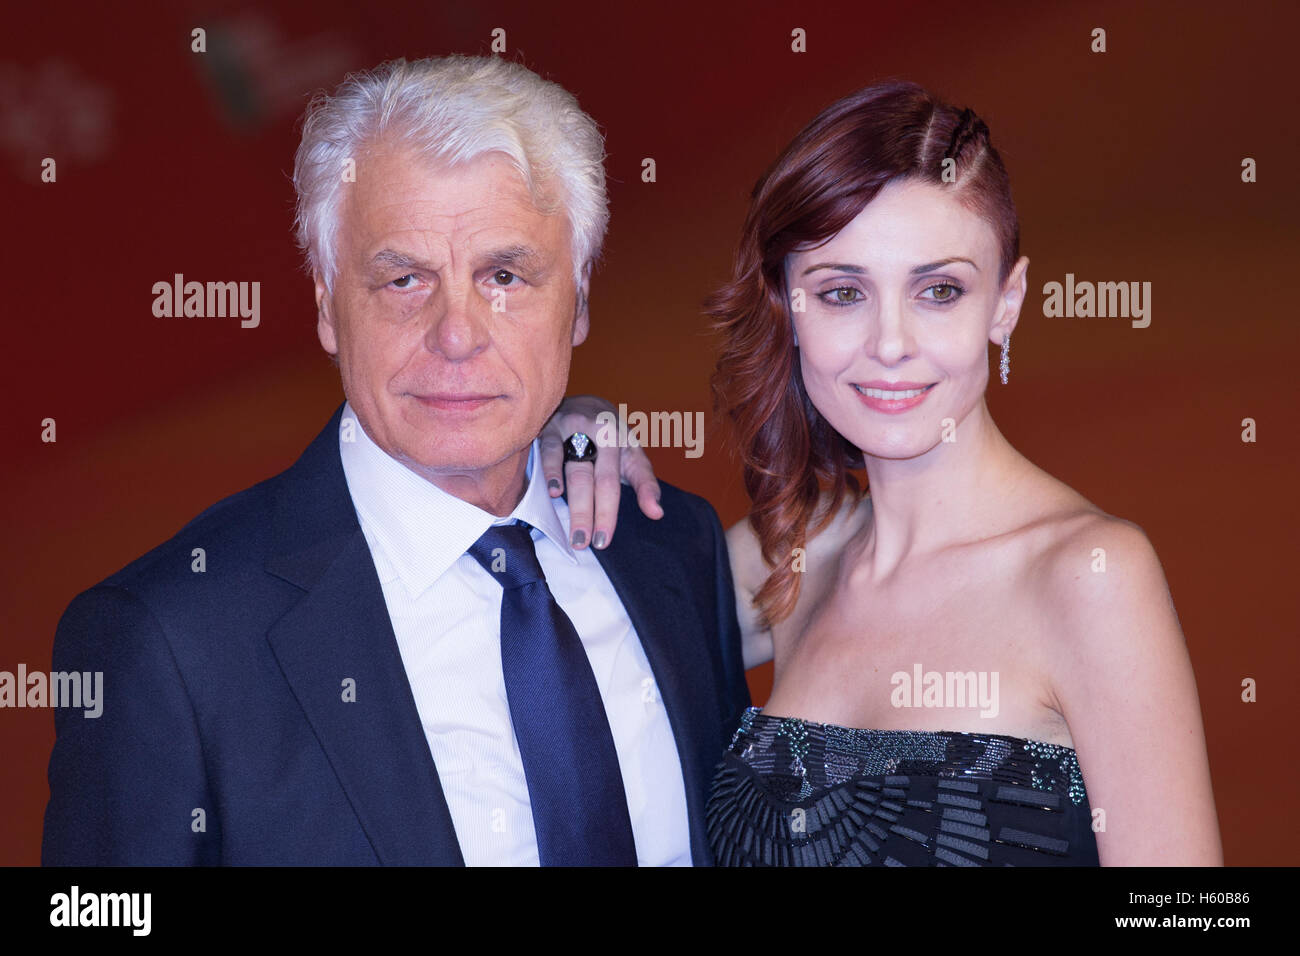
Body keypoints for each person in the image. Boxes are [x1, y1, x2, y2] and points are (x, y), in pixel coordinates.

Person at [41, 55, 749, 866]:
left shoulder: (674, 549)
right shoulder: (168, 642)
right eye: (404, 279)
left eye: (507, 276)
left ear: (580, 299)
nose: (457, 335)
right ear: (327, 307)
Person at [554, 81, 1221, 866]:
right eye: (843, 293)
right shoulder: (792, 556)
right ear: (788, 310)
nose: (891, 343)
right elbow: (574, 633)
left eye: (939, 291)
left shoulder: (1089, 575)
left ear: (1005, 303)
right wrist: (567, 421)